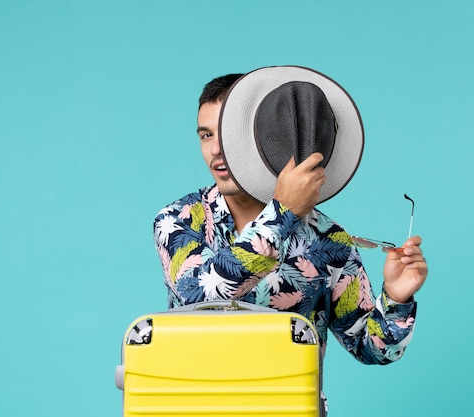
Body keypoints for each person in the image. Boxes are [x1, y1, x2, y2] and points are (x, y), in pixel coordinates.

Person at [153, 72, 428, 369]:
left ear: (266, 137)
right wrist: (282, 212)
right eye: (206, 135)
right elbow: (198, 292)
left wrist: (397, 299)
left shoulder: (330, 241)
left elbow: (372, 350)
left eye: (227, 135)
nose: (216, 149)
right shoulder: (178, 220)